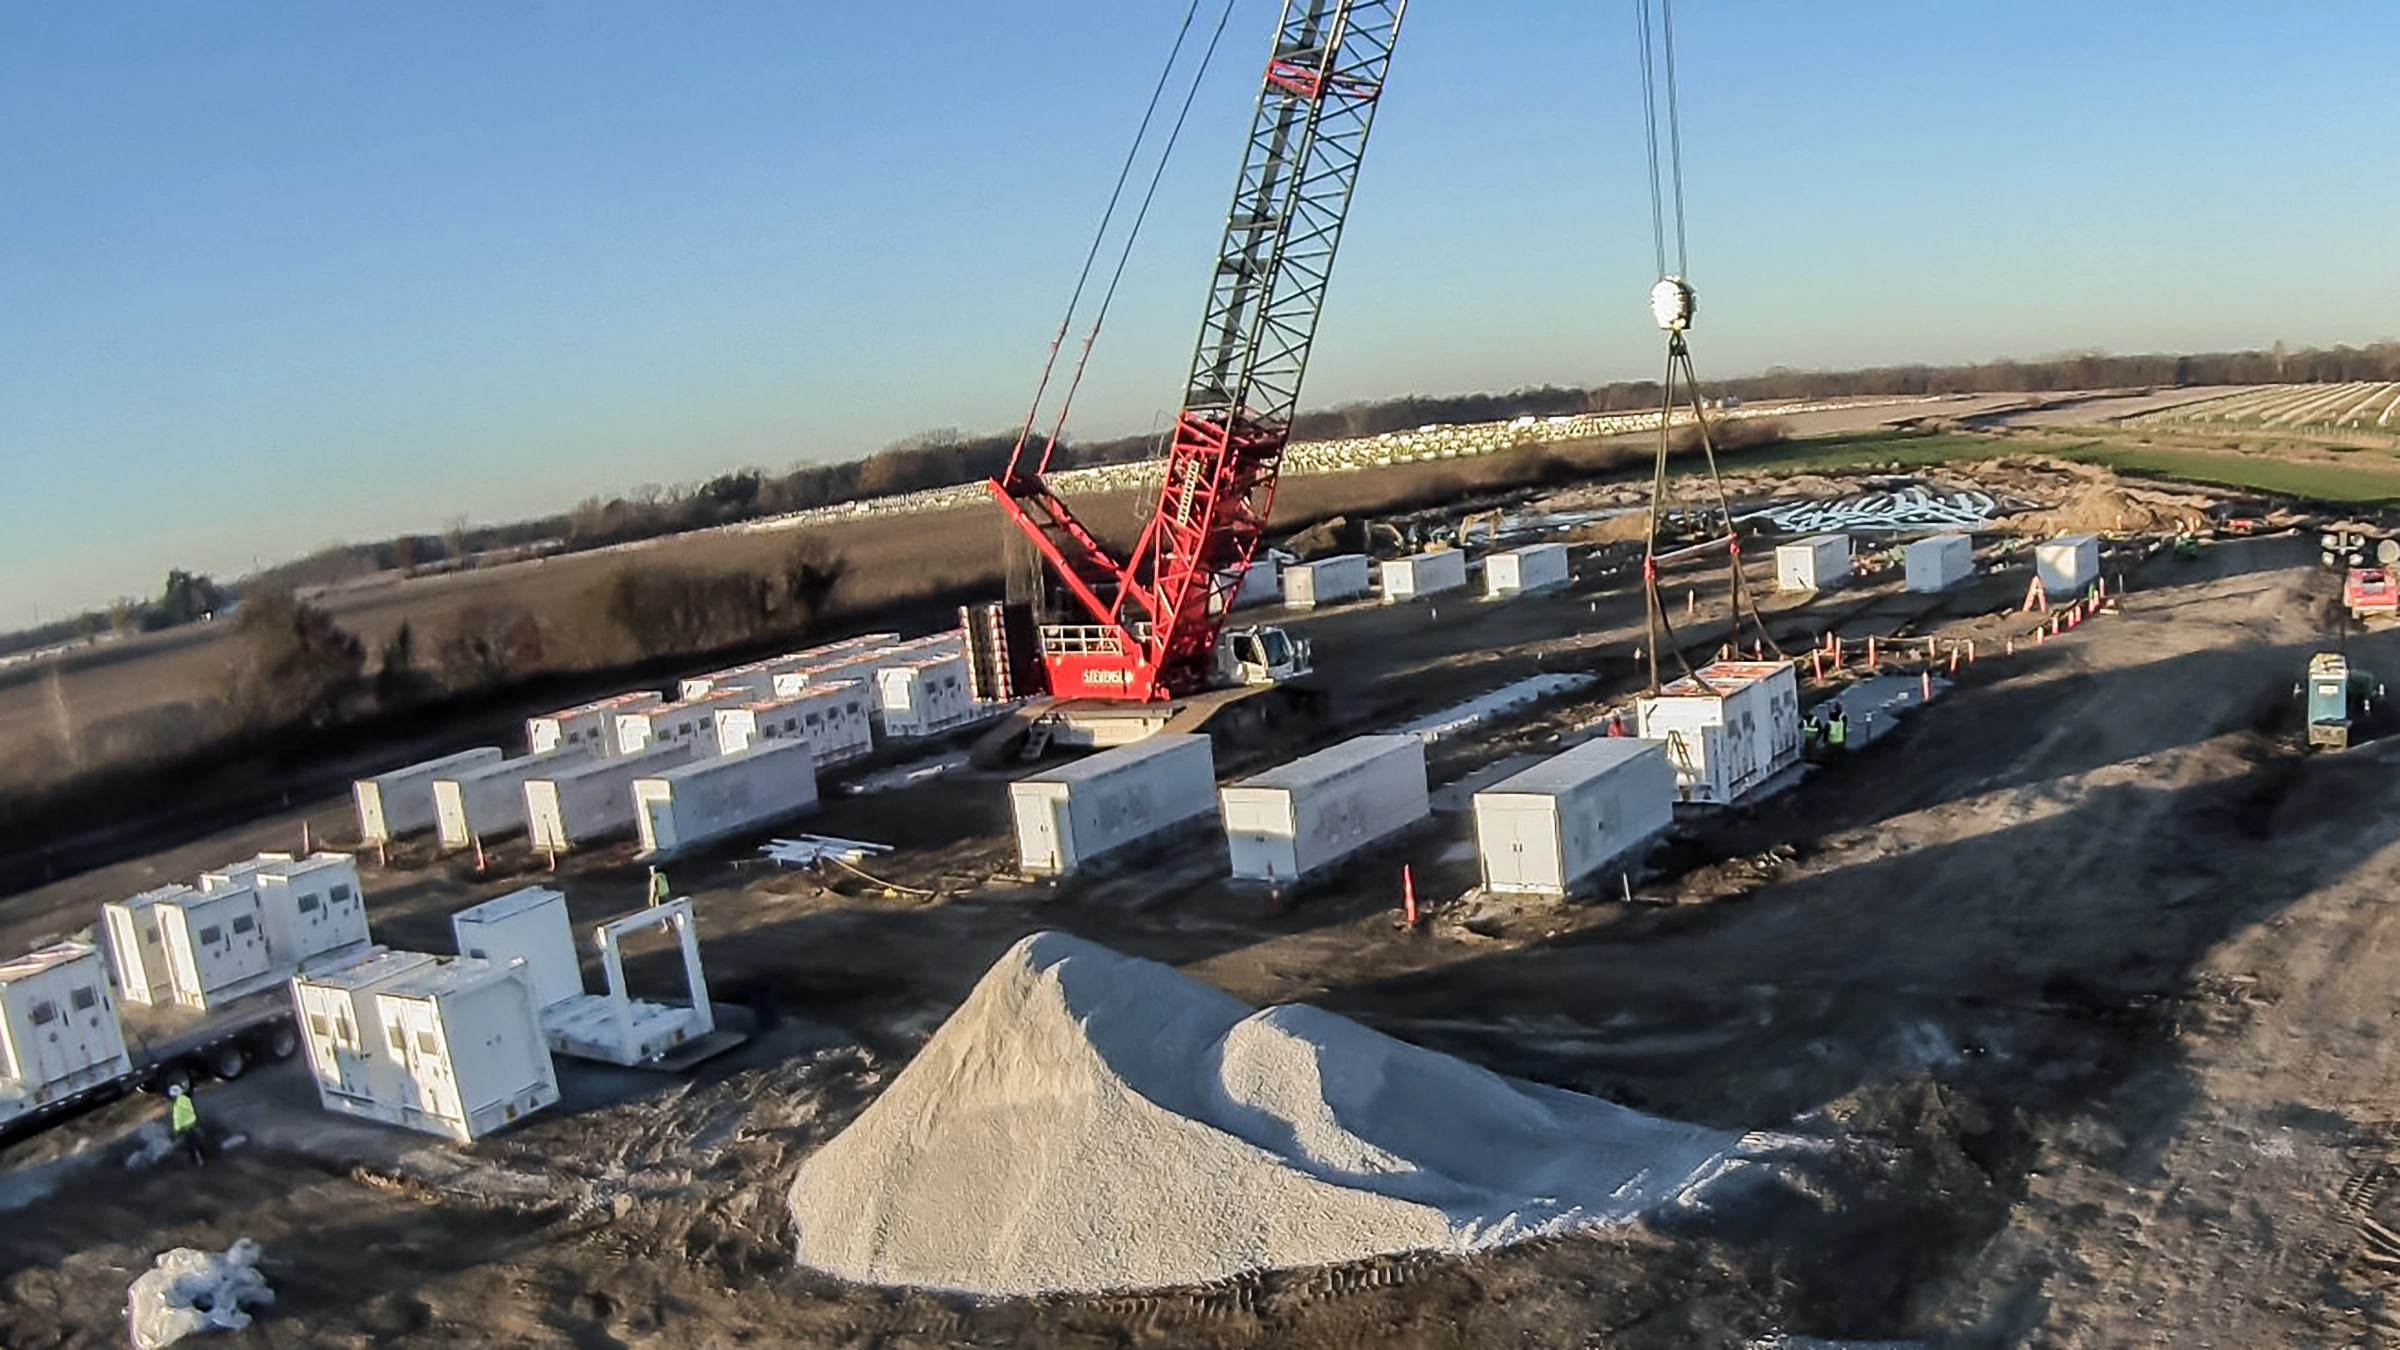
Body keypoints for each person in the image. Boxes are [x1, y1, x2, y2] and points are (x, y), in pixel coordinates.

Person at [168, 1083, 204, 1166]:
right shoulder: (184, 1099)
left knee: (192, 1144)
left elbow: (179, 1116)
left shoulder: (178, 1102)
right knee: (194, 1143)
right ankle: (198, 1158)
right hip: (189, 1125)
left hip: (186, 1127)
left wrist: (177, 1128)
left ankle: (196, 1160)